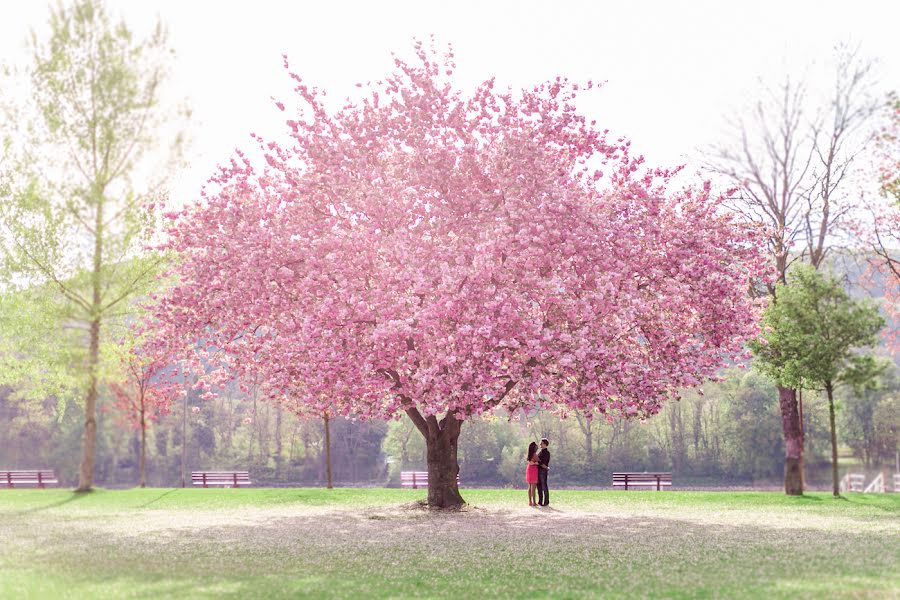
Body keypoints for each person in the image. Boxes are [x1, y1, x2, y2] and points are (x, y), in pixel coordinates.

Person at [537, 438, 550, 506]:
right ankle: (540, 501)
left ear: (545, 444)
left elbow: (543, 462)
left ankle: (546, 501)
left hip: (543, 471)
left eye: (541, 443)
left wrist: (537, 461)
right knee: (539, 486)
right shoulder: (540, 452)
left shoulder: (546, 453)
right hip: (538, 470)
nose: (540, 444)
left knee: (544, 485)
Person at [525, 442, 539, 506]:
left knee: (530, 486)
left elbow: (530, 462)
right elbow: (539, 461)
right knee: (533, 487)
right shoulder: (534, 455)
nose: (537, 448)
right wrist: (536, 463)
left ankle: (530, 502)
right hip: (534, 470)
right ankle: (534, 502)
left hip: (529, 469)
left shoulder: (529, 455)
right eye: (536, 447)